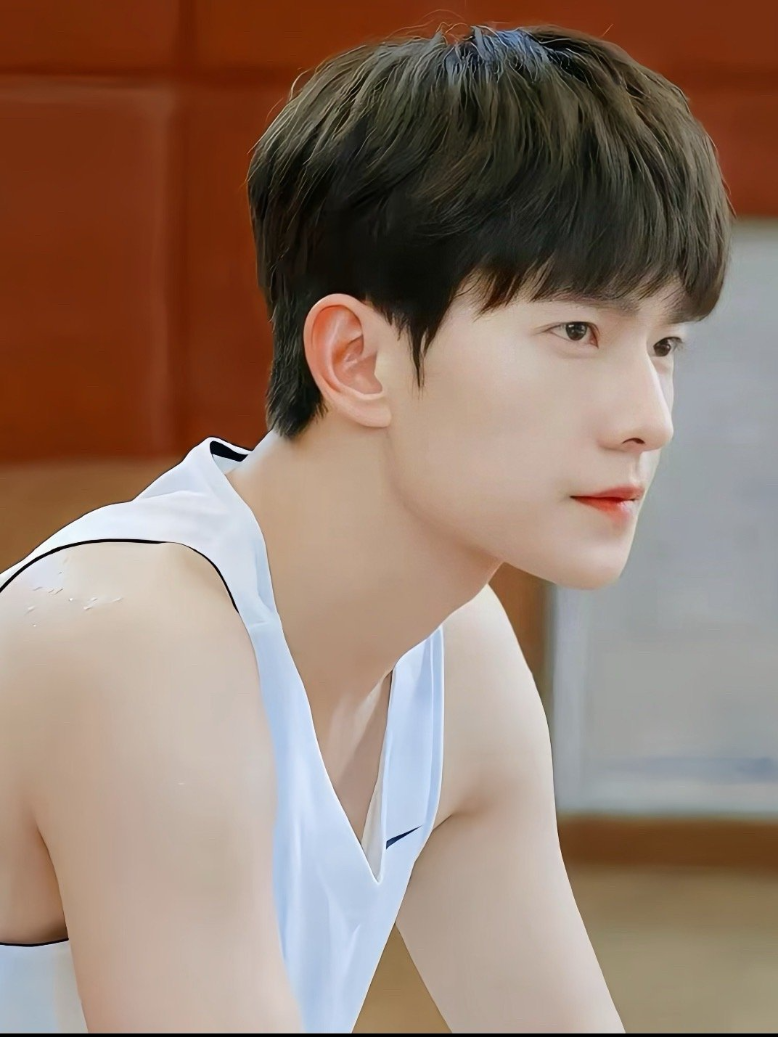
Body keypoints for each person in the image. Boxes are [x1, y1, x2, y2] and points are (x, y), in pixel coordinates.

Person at [0, 23, 730, 1034]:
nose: (650, 417)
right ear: (355, 357)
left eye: (665, 343)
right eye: (576, 330)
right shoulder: (134, 644)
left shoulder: (456, 660)